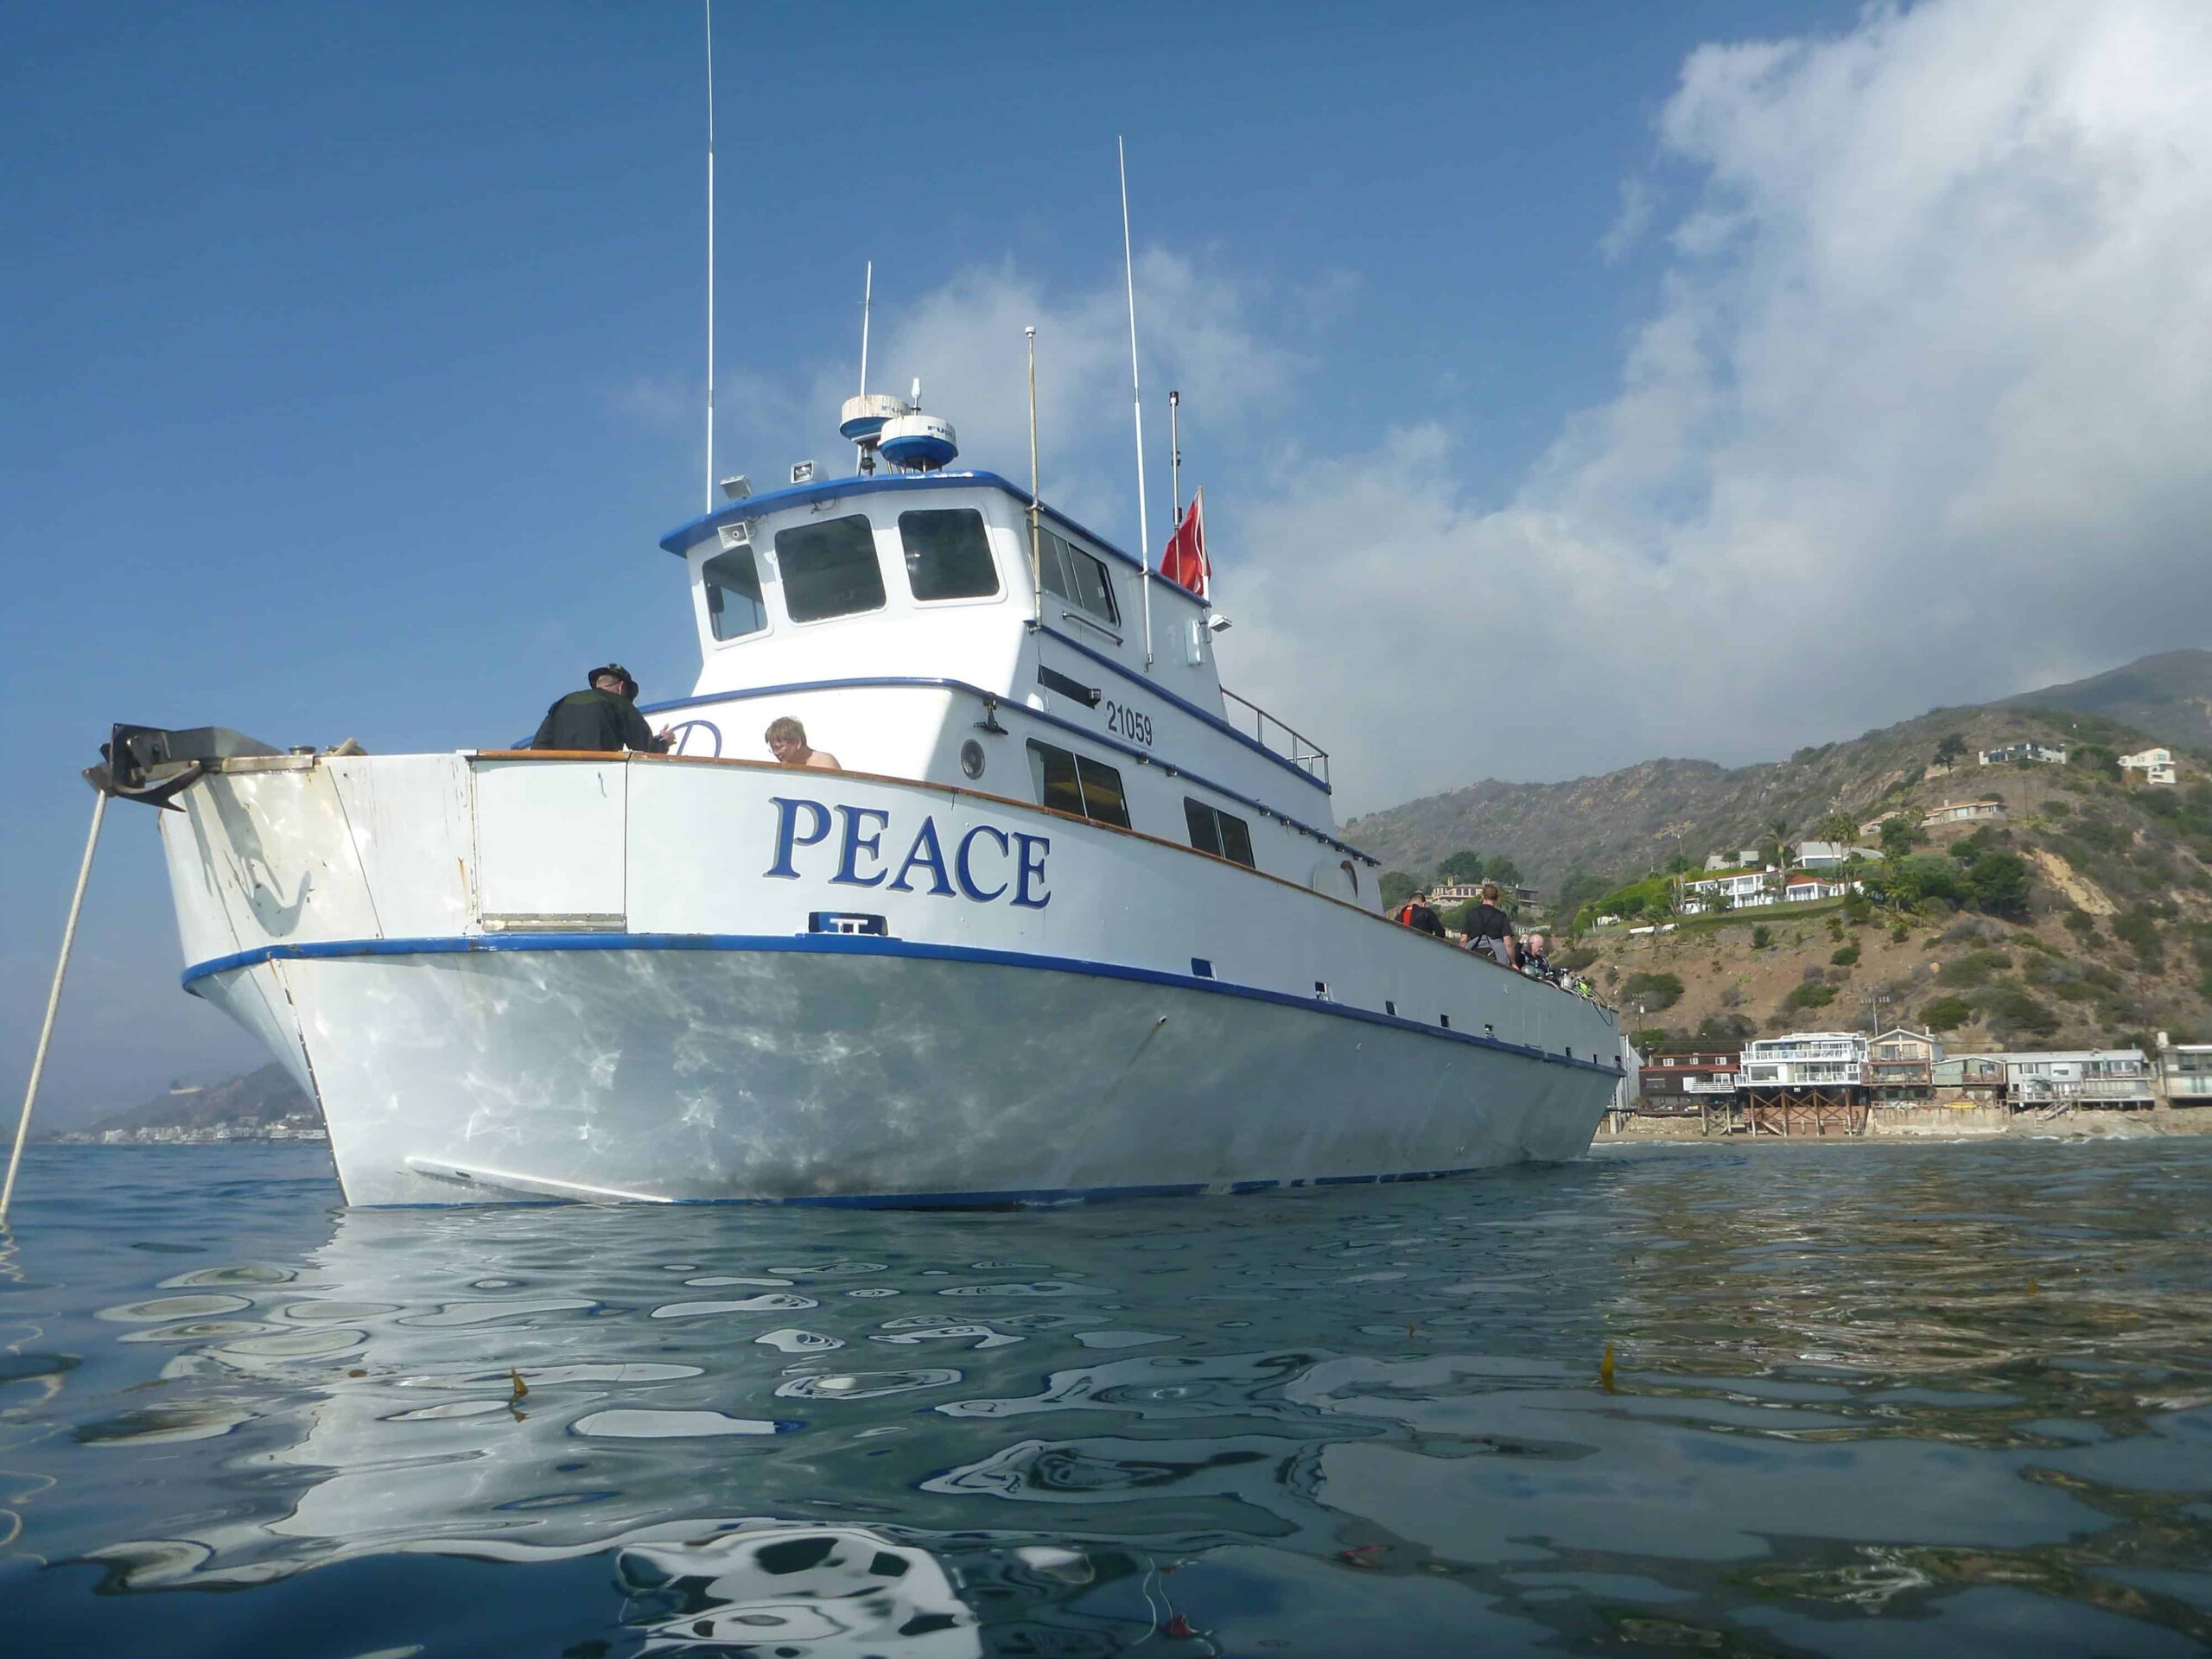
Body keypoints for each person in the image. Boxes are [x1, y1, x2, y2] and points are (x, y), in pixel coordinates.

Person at [531, 664, 670, 753]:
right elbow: (645, 746)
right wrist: (663, 742)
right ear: (621, 687)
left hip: (562, 781)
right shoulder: (620, 702)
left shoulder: (563, 702)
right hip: (599, 779)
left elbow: (539, 748)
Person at [1461, 882, 1518, 968]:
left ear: (1482, 896)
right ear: (1497, 898)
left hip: (1474, 953)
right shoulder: (1501, 916)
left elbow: (1463, 939)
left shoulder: (1471, 914)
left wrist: (1462, 956)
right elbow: (1508, 943)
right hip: (1496, 956)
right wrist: (1513, 962)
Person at [766, 716, 841, 771]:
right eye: (773, 749)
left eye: (779, 747)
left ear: (797, 742)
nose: (776, 753)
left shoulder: (824, 762)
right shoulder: (782, 771)